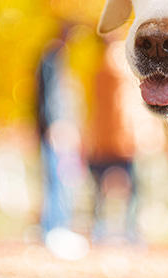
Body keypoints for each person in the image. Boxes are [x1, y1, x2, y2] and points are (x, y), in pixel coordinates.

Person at [36, 26, 89, 259]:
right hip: (56, 129)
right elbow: (51, 96)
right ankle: (54, 230)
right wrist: (56, 124)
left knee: (62, 179)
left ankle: (56, 228)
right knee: (57, 180)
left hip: (59, 127)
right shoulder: (53, 57)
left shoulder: (57, 57)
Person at [86, 39, 140, 243]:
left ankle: (101, 229)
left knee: (100, 188)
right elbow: (125, 108)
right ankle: (130, 230)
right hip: (121, 140)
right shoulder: (121, 69)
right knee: (132, 188)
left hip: (103, 139)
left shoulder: (98, 68)